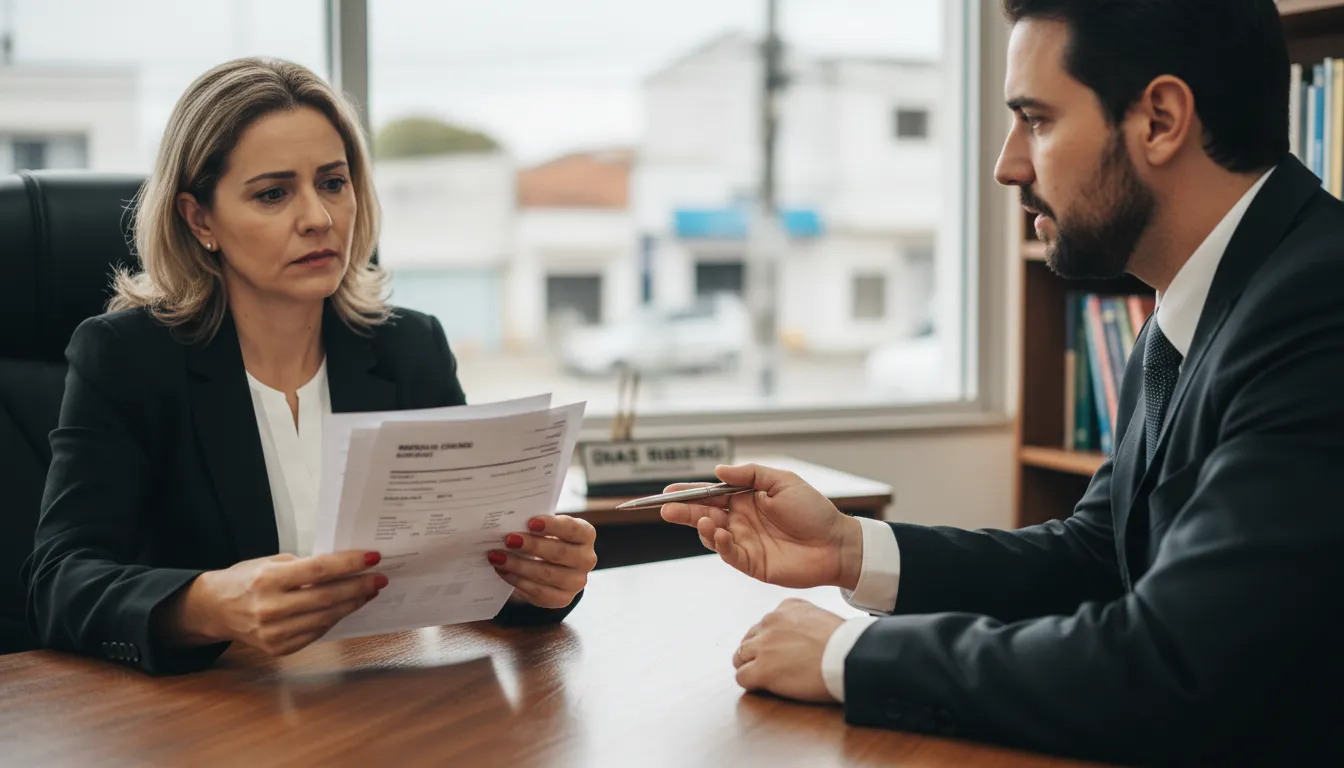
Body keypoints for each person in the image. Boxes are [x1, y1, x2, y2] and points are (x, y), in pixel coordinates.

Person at [661, 1, 1344, 764]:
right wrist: (851, 549)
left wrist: (848, 658)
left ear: (1159, 119)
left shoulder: (1321, 307)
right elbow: (1097, 558)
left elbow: (1180, 664)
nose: (1008, 165)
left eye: (1037, 120)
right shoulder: (1197, 307)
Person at [23, 57, 596, 675]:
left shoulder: (409, 347)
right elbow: (59, 582)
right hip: (211, 718)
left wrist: (538, 584)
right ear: (199, 219)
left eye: (332, 182)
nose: (319, 218)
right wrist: (207, 604)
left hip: (379, 703)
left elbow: (464, 569)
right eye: (273, 193)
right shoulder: (129, 358)